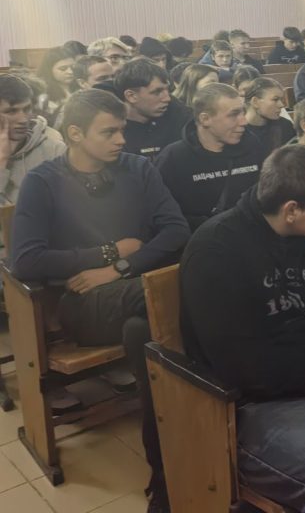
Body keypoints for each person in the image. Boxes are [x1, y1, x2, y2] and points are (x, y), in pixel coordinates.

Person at [10, 89, 190, 511]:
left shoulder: (138, 168)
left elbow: (176, 229)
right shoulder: (43, 182)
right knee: (177, 294)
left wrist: (119, 267)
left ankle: (165, 472)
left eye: (122, 130)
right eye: (109, 132)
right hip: (81, 306)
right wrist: (108, 253)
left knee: (143, 332)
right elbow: (25, 260)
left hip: (135, 293)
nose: (121, 140)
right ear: (75, 133)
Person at [155, 84, 267, 231]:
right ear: (205, 119)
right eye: (234, 114)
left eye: (243, 112)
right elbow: (163, 216)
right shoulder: (173, 158)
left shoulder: (252, 146)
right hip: (197, 238)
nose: (244, 121)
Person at [0, 75, 66, 205]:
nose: (23, 119)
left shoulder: (55, 151)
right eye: (11, 111)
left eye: (27, 109)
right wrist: (2, 160)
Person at [114, 59, 191, 160]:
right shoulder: (114, 130)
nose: (167, 98)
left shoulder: (177, 113)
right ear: (131, 96)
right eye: (157, 92)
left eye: (168, 90)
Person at [243, 77, 296, 151]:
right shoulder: (237, 131)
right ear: (255, 102)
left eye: (281, 100)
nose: (281, 105)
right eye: (275, 99)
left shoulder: (285, 126)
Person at [35, 46, 77, 123]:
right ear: (49, 70)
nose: (70, 72)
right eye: (63, 69)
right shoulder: (43, 94)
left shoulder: (81, 85)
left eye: (73, 67)